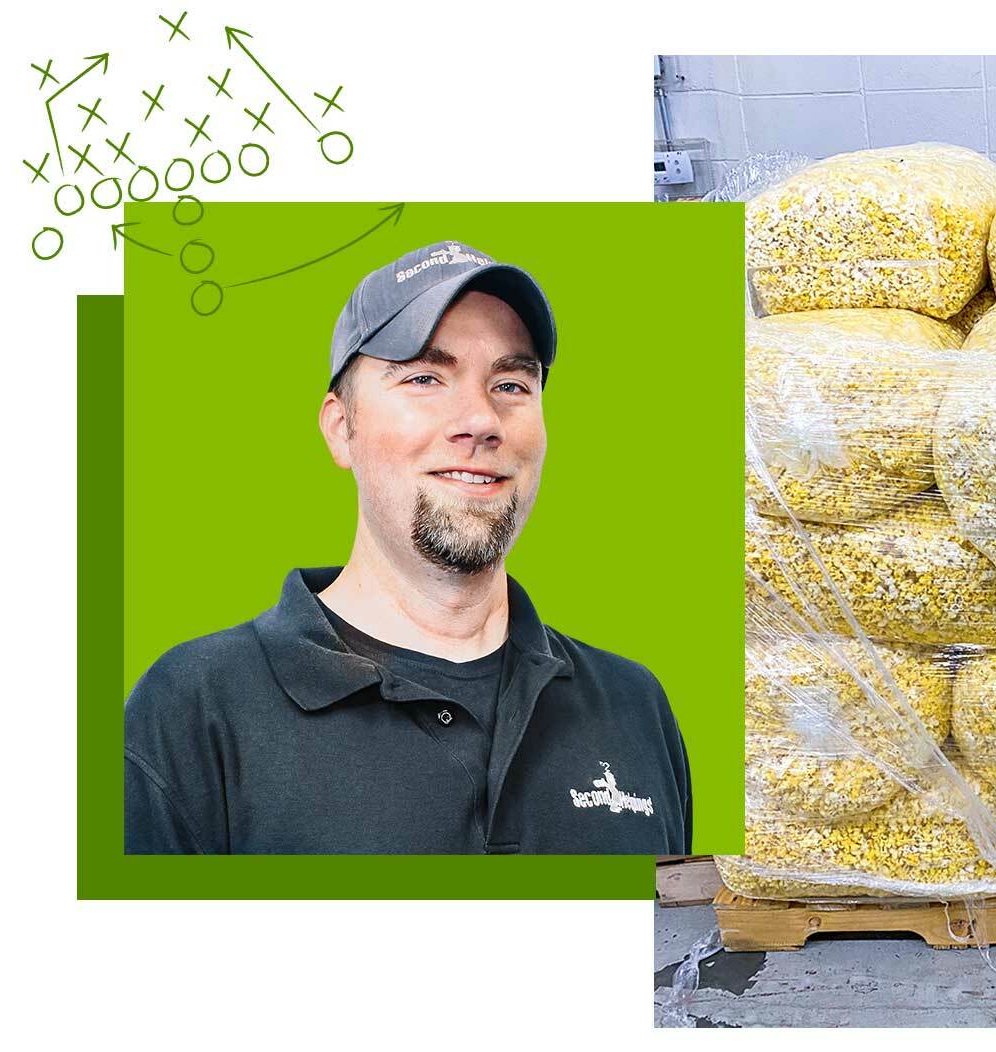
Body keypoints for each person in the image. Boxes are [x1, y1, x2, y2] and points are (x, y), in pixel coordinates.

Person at [124, 240, 691, 854]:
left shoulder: (635, 706)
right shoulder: (194, 710)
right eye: (424, 378)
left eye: (511, 383)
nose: (480, 419)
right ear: (343, 429)